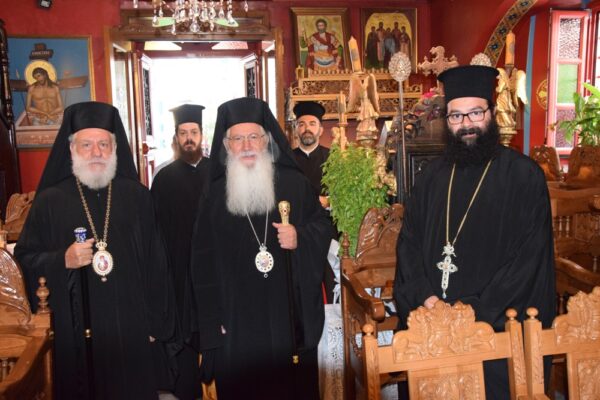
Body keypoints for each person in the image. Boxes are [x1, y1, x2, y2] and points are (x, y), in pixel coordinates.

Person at [393, 65, 555, 399]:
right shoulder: (431, 177)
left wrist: (471, 312)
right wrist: (427, 298)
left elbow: (528, 263)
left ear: (492, 113)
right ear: (447, 120)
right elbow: (408, 244)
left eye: (475, 113)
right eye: (456, 116)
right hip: (432, 322)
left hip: (495, 330)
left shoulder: (524, 177)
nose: (466, 124)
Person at [15, 101, 180, 399]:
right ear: (71, 149)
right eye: (87, 144)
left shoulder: (138, 197)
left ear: (115, 148)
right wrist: (61, 260)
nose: (96, 152)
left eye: (104, 144)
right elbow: (25, 259)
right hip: (74, 332)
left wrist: (156, 324)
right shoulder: (50, 201)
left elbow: (158, 264)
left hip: (131, 329)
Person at [190, 97, 334, 400]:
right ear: (226, 145)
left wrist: (300, 236)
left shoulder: (294, 183)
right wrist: (213, 321)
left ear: (266, 140)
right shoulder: (214, 195)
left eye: (253, 137)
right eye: (237, 139)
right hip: (236, 321)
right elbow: (201, 263)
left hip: (285, 316)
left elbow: (322, 226)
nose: (246, 146)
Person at [151, 103, 210, 400]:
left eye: (194, 132)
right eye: (183, 133)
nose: (189, 138)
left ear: (202, 135)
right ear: (176, 138)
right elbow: (155, 229)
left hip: (212, 270)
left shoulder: (217, 173)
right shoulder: (164, 178)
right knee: (184, 329)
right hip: (177, 268)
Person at [292, 101, 337, 303]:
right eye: (301, 124)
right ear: (296, 130)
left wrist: (329, 201)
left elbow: (343, 197)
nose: (306, 128)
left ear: (320, 130)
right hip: (299, 232)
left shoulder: (334, 158)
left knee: (331, 283)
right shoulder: (287, 161)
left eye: (312, 123)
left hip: (328, 231)